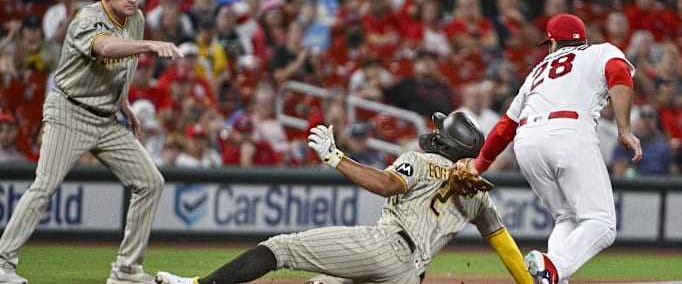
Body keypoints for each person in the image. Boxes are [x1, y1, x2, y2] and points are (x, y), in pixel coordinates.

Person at [155, 111, 532, 284]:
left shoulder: (420, 160)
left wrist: (336, 158)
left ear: (443, 143)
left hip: (388, 248)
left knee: (281, 248)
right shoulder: (478, 195)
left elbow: (386, 185)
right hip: (412, 275)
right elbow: (505, 246)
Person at [0, 0, 183, 284]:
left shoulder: (136, 19)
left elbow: (123, 67)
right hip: (70, 112)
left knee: (150, 182)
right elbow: (106, 48)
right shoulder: (87, 18)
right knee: (44, 187)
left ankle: (127, 271)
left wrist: (124, 102)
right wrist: (151, 45)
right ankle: (2, 263)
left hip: (107, 117)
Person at [456, 14, 642, 283]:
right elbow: (619, 73)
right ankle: (552, 266)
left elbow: (506, 126)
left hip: (527, 141)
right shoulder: (600, 51)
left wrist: (477, 166)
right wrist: (624, 128)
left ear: (553, 43)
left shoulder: (536, 73)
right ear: (583, 40)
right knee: (602, 223)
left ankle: (551, 278)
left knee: (567, 217)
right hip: (569, 132)